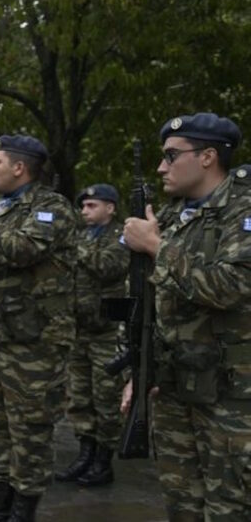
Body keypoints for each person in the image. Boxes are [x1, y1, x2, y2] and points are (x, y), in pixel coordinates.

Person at [122, 113, 251, 520]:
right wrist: (142, 370)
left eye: (171, 156)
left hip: (231, 396)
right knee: (182, 506)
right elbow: (155, 304)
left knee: (229, 508)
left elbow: (231, 286)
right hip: (175, 387)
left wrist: (156, 247)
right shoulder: (174, 215)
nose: (162, 167)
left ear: (208, 156)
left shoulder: (243, 210)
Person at [0, 135, 78, 522]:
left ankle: (23, 511)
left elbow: (24, 249)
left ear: (19, 168)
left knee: (30, 431)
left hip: (36, 342)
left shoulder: (51, 208)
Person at [55, 183, 125, 487]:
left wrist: (75, 247)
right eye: (83, 206)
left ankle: (103, 460)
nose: (85, 211)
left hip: (107, 331)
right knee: (80, 397)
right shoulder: (82, 236)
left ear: (110, 208)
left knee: (106, 397)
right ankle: (85, 453)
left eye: (92, 205)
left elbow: (108, 266)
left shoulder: (122, 236)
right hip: (79, 328)